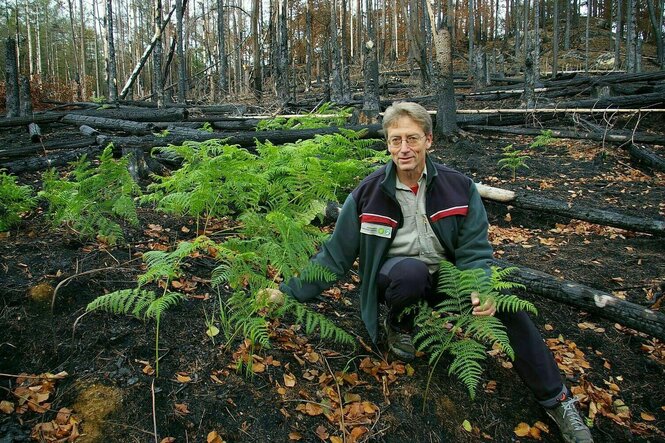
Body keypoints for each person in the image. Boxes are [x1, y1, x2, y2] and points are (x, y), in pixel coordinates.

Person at [263, 102, 593, 443]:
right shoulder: (368, 193)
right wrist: (287, 293)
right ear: (387, 144)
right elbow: (334, 256)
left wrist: (480, 286)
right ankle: (398, 322)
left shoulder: (458, 187)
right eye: (395, 140)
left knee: (511, 311)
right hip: (395, 281)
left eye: (412, 138)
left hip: (448, 282)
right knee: (410, 272)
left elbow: (475, 249)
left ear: (429, 140)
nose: (404, 148)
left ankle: (558, 401)